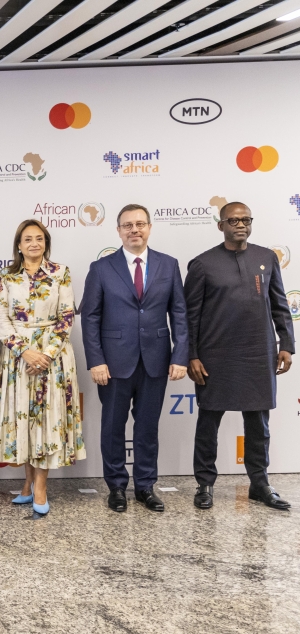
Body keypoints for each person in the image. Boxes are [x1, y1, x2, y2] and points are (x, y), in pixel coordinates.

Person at [185, 202, 295, 510]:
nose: (240, 224)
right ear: (221, 226)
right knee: (208, 423)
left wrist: (286, 342)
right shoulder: (202, 264)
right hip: (214, 356)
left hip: (259, 354)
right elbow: (189, 316)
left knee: (259, 425)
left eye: (246, 219)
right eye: (233, 220)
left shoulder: (266, 258)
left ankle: (260, 484)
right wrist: (191, 354)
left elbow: (279, 305)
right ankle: (204, 484)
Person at [81, 204, 188, 513]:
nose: (134, 229)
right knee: (113, 427)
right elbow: (90, 317)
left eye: (140, 224)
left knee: (147, 428)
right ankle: (116, 486)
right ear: (118, 231)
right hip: (113, 364)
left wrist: (180, 355)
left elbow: (179, 314)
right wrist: (96, 360)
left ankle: (145, 487)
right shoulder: (101, 268)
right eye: (127, 225)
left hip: (155, 360)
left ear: (150, 228)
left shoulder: (169, 265)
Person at [0, 220, 84, 517]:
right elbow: (1, 318)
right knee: (23, 421)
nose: (33, 243)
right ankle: (27, 485)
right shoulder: (6, 275)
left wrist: (45, 354)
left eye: (39, 239)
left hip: (52, 360)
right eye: (27, 239)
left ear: (46, 243)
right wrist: (25, 352)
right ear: (18, 244)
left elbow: (67, 317)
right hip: (17, 359)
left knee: (44, 421)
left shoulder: (60, 273)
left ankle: (40, 488)